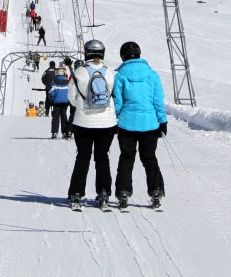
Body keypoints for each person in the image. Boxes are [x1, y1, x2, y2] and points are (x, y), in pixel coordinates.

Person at [113, 41, 167, 210]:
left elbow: (118, 103)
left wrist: (115, 120)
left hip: (126, 124)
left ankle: (123, 192)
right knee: (149, 158)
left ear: (123, 55)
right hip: (150, 124)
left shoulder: (120, 76)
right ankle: (156, 191)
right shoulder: (152, 75)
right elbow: (158, 101)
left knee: (127, 158)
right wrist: (163, 121)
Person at [66, 39, 117, 209]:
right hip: (107, 123)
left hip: (83, 122)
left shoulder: (79, 72)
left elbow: (72, 99)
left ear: (86, 52)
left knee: (83, 157)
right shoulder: (110, 73)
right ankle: (103, 192)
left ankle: (76, 193)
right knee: (102, 158)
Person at [49, 67, 70, 139]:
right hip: (65, 102)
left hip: (56, 102)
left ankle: (54, 132)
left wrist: (52, 99)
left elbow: (52, 92)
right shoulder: (67, 82)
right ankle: (64, 132)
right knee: (64, 116)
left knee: (55, 117)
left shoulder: (54, 82)